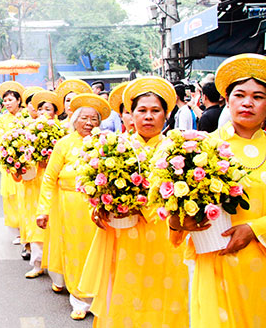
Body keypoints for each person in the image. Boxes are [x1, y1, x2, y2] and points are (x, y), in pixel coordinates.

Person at [80, 76, 188, 327]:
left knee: (167, 296)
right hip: (125, 239)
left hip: (168, 240)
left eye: (155, 111)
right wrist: (99, 211)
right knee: (126, 297)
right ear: (130, 115)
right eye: (142, 111)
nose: (148, 117)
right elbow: (95, 196)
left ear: (166, 115)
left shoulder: (180, 151)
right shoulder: (115, 149)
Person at [173, 54, 266, 328]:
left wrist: (254, 229)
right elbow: (176, 213)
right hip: (216, 259)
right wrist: (179, 221)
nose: (248, 102)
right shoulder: (201, 148)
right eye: (240, 95)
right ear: (227, 99)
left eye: (258, 96)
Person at [36, 93, 111, 320]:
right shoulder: (64, 144)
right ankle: (80, 299)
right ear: (74, 120)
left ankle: (99, 295)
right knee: (76, 250)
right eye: (84, 118)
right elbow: (49, 179)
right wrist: (43, 210)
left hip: (99, 208)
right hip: (70, 208)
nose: (89, 123)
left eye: (94, 119)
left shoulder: (106, 143)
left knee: (99, 252)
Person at [20, 89, 63, 279]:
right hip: (34, 180)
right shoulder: (28, 130)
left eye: (49, 109)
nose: (45, 112)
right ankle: (37, 263)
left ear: (55, 112)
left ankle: (56, 264)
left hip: (54, 182)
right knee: (35, 219)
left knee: (53, 222)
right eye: (42, 109)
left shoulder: (62, 131)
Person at [0, 81, 25, 235]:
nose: (7, 103)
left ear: (19, 100)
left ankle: (27, 227)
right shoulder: (2, 119)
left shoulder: (26, 116)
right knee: (10, 195)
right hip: (9, 162)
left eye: (10, 100)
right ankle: (17, 228)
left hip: (25, 162)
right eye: (5, 100)